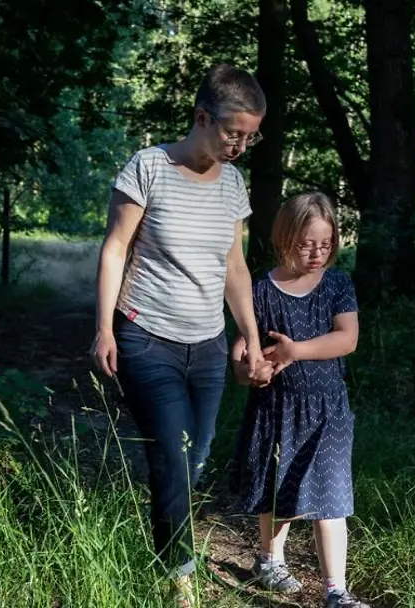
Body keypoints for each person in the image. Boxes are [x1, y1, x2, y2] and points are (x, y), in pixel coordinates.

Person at [91, 63, 271, 606]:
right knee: (172, 454)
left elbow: (233, 266)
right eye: (233, 133)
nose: (241, 145)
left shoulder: (234, 184)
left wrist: (252, 338)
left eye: (250, 136)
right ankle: (178, 580)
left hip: (209, 346)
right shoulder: (148, 167)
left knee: (193, 460)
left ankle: (170, 551)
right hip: (147, 336)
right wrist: (104, 329)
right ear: (201, 117)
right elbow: (115, 249)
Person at [229, 192, 370, 608]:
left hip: (328, 409)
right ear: (284, 238)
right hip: (277, 408)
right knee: (278, 491)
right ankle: (269, 560)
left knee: (332, 498)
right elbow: (241, 348)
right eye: (308, 243)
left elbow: (348, 339)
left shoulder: (338, 285)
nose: (317, 252)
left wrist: (295, 351)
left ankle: (335, 590)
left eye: (326, 244)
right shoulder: (260, 290)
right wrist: (247, 370)